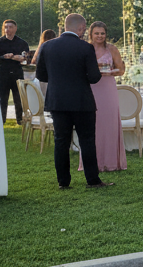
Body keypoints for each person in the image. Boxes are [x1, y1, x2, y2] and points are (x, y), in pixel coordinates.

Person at [35, 13, 114, 191]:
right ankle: (92, 179)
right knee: (86, 139)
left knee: (61, 140)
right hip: (81, 101)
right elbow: (94, 77)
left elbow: (41, 75)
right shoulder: (85, 48)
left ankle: (63, 181)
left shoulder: (47, 46)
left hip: (58, 101)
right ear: (80, 28)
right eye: (84, 28)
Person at [79, 21, 127, 173]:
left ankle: (112, 162)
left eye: (102, 33)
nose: (99, 36)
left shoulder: (111, 48)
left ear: (106, 34)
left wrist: (110, 72)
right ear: (91, 34)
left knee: (109, 123)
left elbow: (121, 70)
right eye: (96, 33)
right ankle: (92, 163)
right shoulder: (85, 48)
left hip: (107, 88)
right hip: (90, 88)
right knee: (92, 125)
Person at [0, 19, 30, 123]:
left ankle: (19, 120)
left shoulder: (21, 43)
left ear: (15, 28)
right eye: (6, 27)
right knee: (3, 98)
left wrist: (20, 58)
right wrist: (5, 57)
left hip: (17, 72)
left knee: (18, 98)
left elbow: (27, 57)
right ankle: (1, 120)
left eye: (10, 27)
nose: (7, 29)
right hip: (3, 72)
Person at [31, 29, 57, 95]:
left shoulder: (40, 49)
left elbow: (33, 62)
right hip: (51, 79)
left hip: (41, 79)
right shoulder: (54, 49)